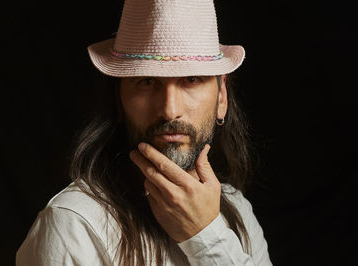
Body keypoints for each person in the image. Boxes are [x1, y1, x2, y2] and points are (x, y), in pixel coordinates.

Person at [16, 0, 272, 265]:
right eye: (147, 81)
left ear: (221, 98)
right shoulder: (73, 226)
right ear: (119, 100)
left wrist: (207, 236)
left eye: (192, 80)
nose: (170, 110)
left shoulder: (237, 211)